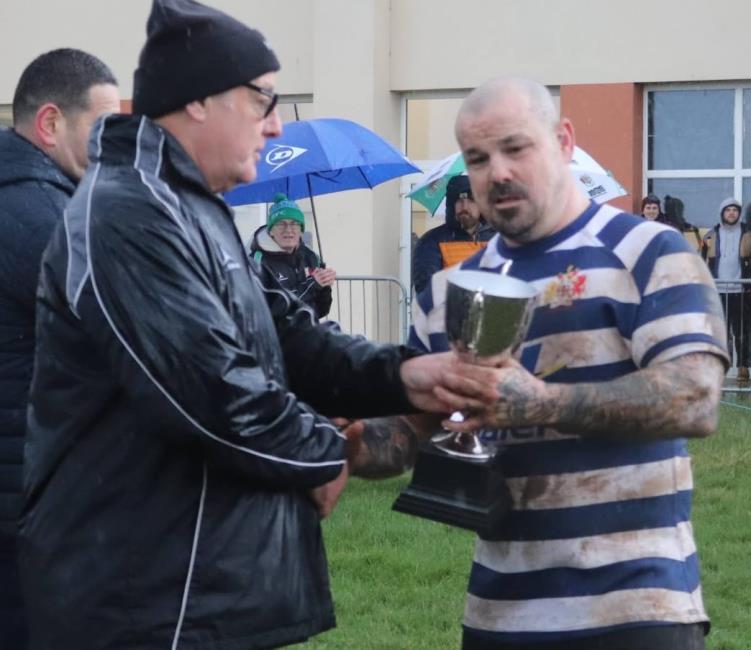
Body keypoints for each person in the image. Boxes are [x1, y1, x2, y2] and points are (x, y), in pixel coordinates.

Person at [17, 2, 492, 649]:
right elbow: (212, 393)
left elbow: (285, 335)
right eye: (263, 101)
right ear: (199, 102)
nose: (274, 127)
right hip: (142, 599)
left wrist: (406, 375)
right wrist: (322, 453)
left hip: (197, 588)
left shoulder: (191, 207)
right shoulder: (125, 213)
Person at [348, 77, 728, 650]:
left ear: (563, 140)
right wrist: (342, 442)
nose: (497, 171)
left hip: (637, 607)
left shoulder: (649, 252)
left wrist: (545, 402)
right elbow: (408, 433)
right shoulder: (449, 291)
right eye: (478, 158)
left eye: (515, 148)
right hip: (500, 615)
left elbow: (695, 397)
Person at [0, 48, 119, 650]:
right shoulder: (43, 214)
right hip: (30, 504)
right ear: (50, 124)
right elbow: (126, 340)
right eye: (101, 128)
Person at [250, 193, 336, 318]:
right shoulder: (257, 262)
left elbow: (321, 311)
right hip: (278, 336)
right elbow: (274, 310)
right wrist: (312, 285)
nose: (288, 229)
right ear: (271, 231)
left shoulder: (311, 257)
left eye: (294, 224)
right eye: (281, 224)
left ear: (301, 230)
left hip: (309, 333)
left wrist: (324, 287)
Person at [412, 174, 494, 293]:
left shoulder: (497, 240)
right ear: (451, 205)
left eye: (471, 200)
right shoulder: (432, 241)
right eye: (459, 200)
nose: (465, 207)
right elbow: (427, 291)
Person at [701, 197, 751, 382]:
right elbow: (703, 261)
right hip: (718, 291)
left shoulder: (748, 233)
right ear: (722, 213)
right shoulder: (710, 235)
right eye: (728, 210)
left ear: (739, 213)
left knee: (742, 332)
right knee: (721, 332)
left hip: (741, 291)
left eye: (735, 210)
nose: (732, 213)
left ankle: (743, 366)